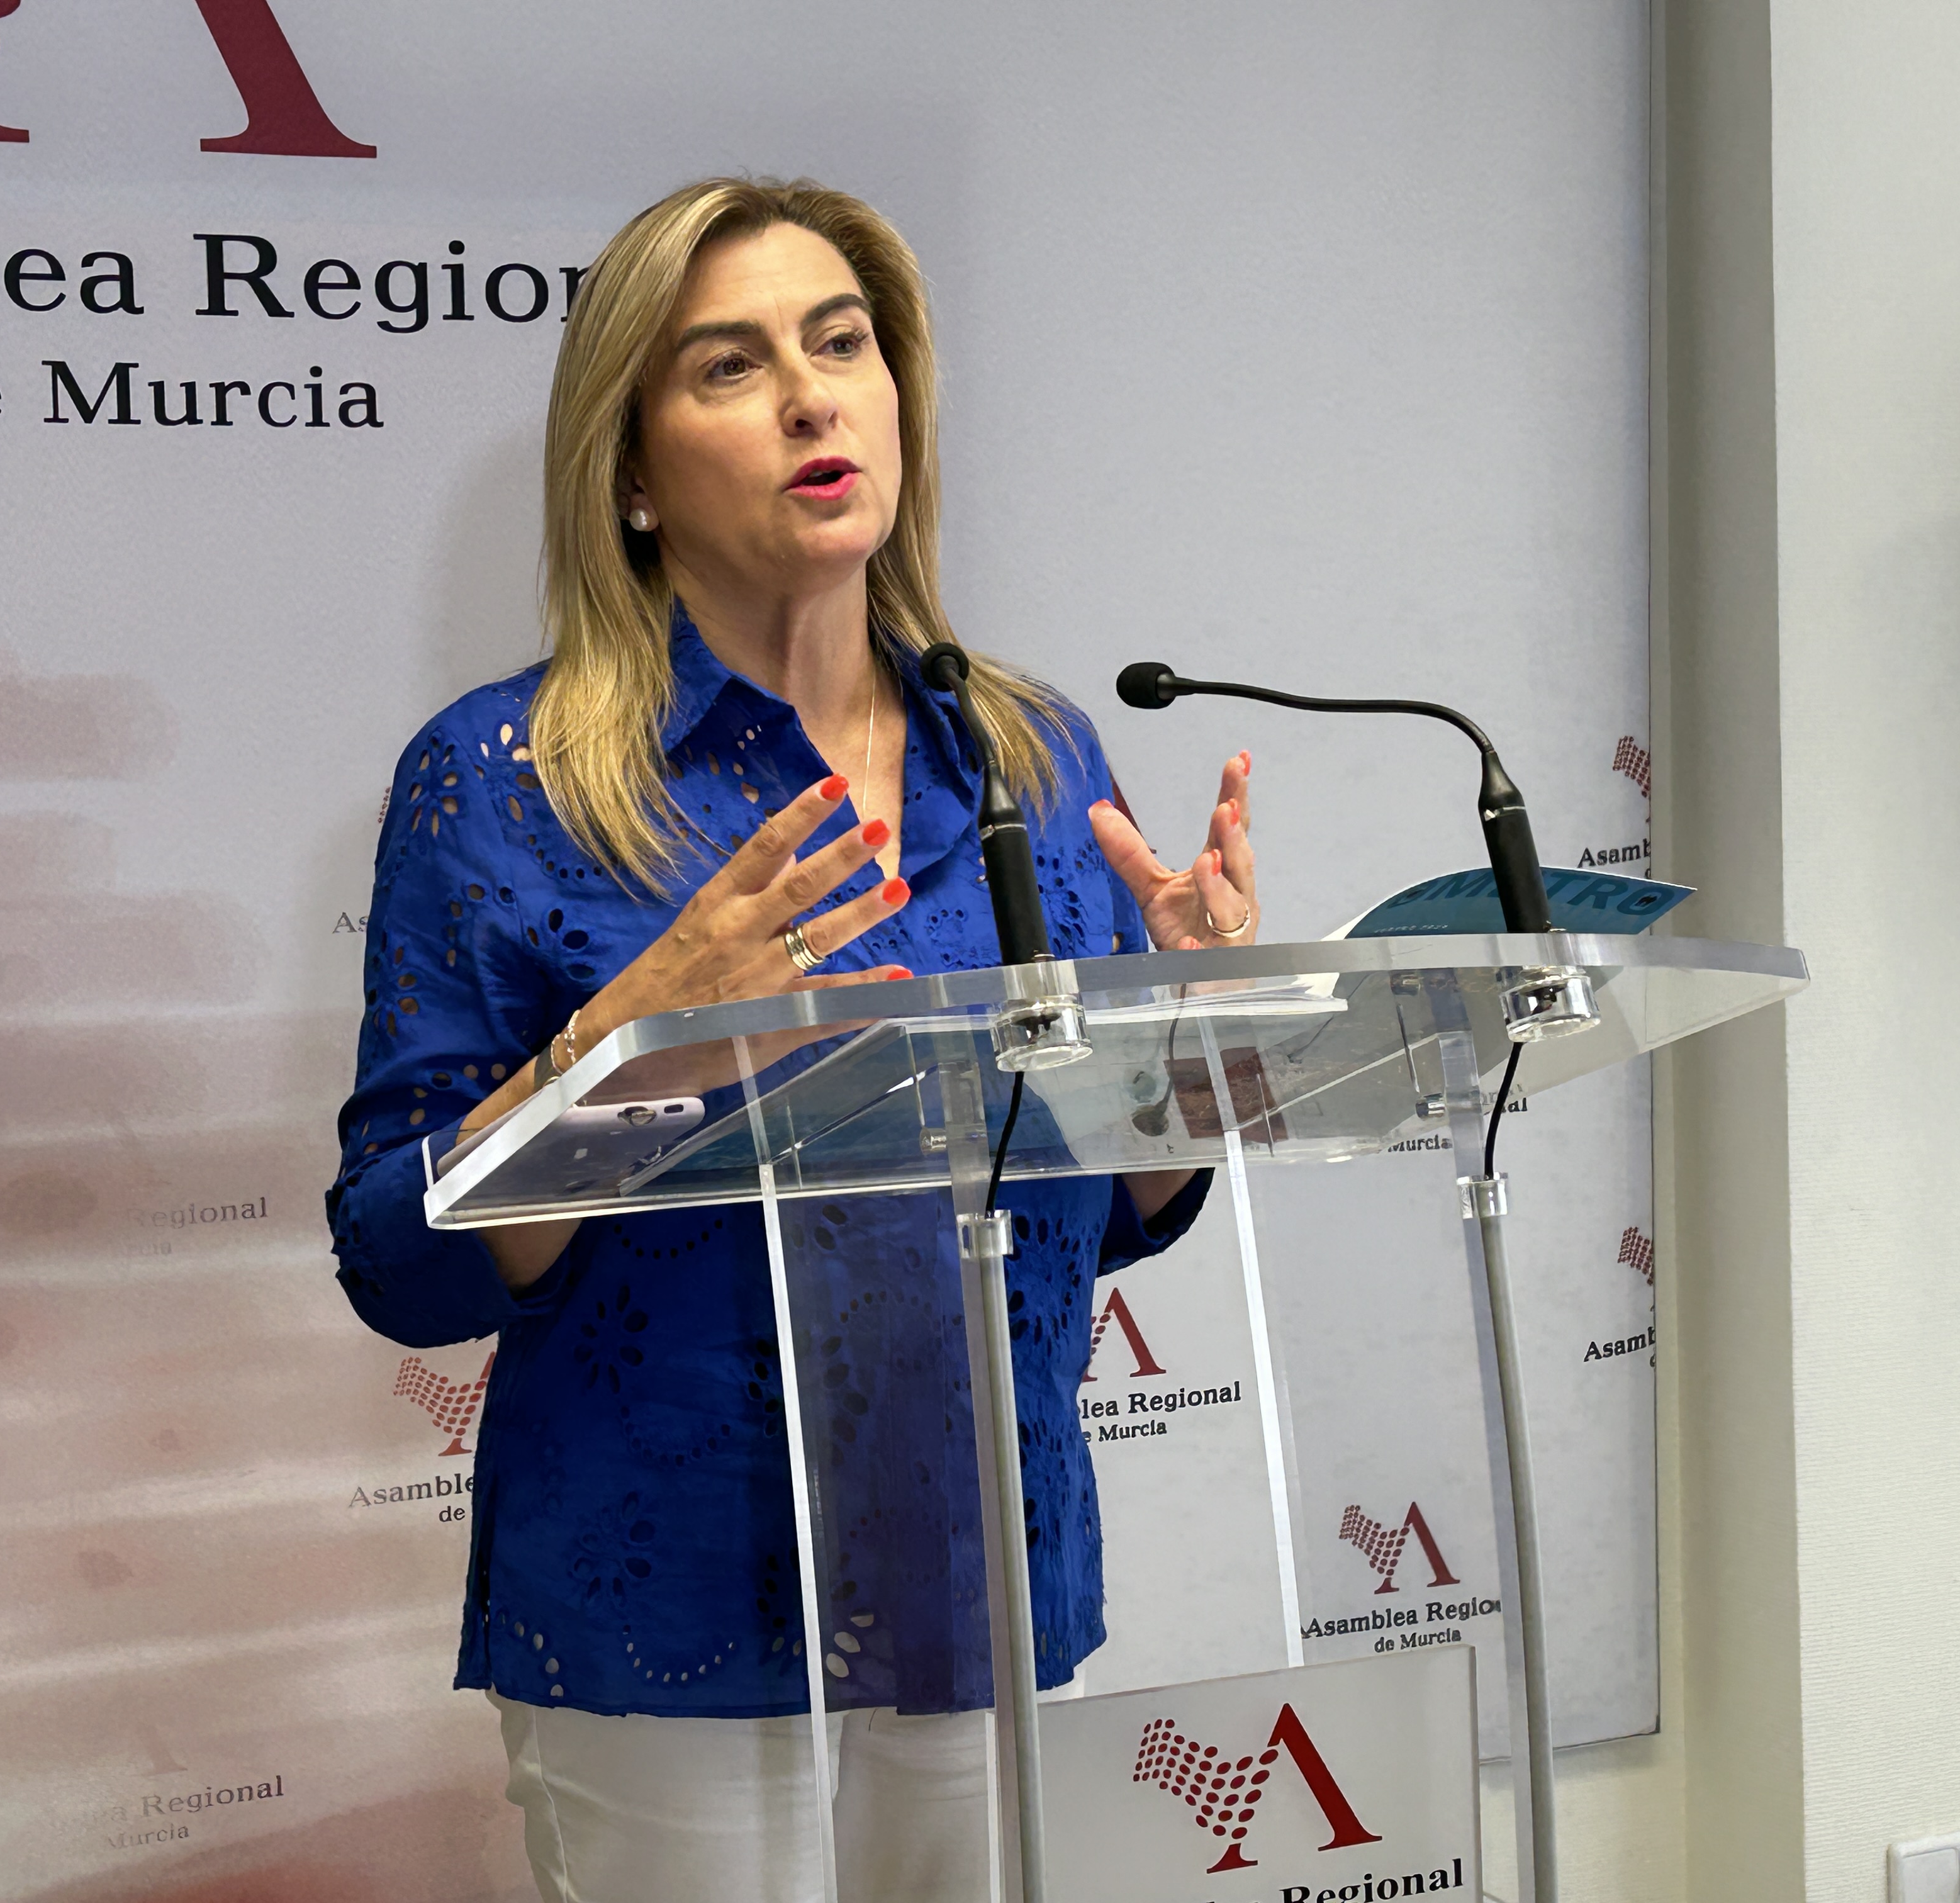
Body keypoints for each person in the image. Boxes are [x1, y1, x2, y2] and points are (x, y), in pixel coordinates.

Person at [327, 177, 1258, 1903]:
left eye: (842, 345)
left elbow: (1120, 1202)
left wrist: (1189, 1044)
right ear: (629, 467)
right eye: (731, 367)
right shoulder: (507, 782)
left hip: (988, 1576)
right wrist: (632, 1043)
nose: (813, 398)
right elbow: (401, 1259)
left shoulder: (1031, 758)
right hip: (669, 1605)